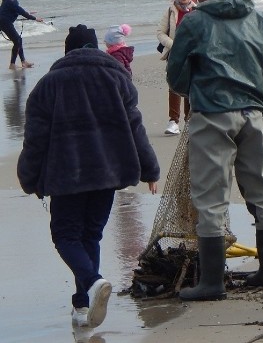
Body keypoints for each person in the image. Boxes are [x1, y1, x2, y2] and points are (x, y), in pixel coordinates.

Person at [17, 24, 160, 329]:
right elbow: (136, 127)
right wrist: (149, 168)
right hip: (107, 173)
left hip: (66, 175)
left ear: (67, 51)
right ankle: (83, 305)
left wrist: (29, 177)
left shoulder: (48, 85)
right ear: (95, 48)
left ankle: (93, 284)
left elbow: (36, 139)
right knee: (90, 235)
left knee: (66, 236)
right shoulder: (117, 78)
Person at [167, 0, 263, 301]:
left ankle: (211, 284)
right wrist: (262, 88)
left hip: (212, 114)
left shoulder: (193, 23)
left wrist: (195, 92)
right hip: (253, 113)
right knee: (262, 191)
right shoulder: (259, 18)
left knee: (210, 198)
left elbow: (176, 74)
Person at [156, 0, 195, 135]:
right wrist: (174, 45)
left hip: (192, 54)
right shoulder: (170, 11)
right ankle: (173, 121)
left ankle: (189, 120)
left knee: (190, 87)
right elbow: (160, 32)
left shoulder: (197, 10)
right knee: (174, 85)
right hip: (174, 54)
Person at [1, 0, 44, 69]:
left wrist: (27, 13)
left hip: (4, 22)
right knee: (17, 40)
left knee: (18, 40)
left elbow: (16, 11)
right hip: (4, 22)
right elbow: (21, 12)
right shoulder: (11, 1)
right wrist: (35, 19)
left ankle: (23, 62)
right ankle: (13, 64)